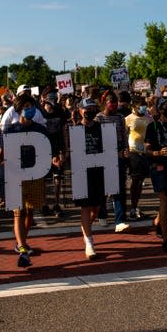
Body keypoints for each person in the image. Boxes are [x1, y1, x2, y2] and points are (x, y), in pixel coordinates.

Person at [0, 94, 59, 268]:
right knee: (18, 212)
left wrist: (54, 160)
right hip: (15, 176)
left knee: (29, 212)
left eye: (32, 106)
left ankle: (22, 241)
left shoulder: (40, 129)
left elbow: (49, 150)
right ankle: (22, 248)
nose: (30, 109)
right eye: (26, 106)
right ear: (18, 109)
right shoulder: (10, 130)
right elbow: (0, 152)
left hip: (34, 176)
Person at [64, 98, 111, 259]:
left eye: (92, 108)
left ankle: (86, 230)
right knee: (85, 206)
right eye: (86, 109)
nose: (89, 111)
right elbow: (69, 151)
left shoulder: (101, 128)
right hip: (82, 172)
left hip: (98, 171)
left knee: (96, 208)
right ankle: (89, 242)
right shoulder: (75, 129)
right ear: (80, 110)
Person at [145, 96, 167, 253]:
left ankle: (158, 222)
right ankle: (166, 238)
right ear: (159, 109)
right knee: (164, 199)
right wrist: (158, 152)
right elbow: (147, 149)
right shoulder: (153, 127)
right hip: (158, 166)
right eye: (165, 106)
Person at [95, 89, 130, 233]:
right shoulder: (98, 118)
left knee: (119, 188)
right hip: (104, 156)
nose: (114, 105)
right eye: (112, 102)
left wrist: (125, 150)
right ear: (105, 103)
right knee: (103, 188)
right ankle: (102, 214)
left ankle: (120, 219)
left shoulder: (120, 117)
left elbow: (124, 135)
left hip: (119, 156)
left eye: (116, 102)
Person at [125, 95, 151, 220]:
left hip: (145, 153)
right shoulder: (128, 119)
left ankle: (135, 207)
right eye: (141, 105)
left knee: (140, 181)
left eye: (144, 105)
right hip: (132, 152)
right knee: (135, 180)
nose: (143, 107)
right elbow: (124, 135)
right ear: (134, 106)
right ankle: (132, 208)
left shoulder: (149, 118)